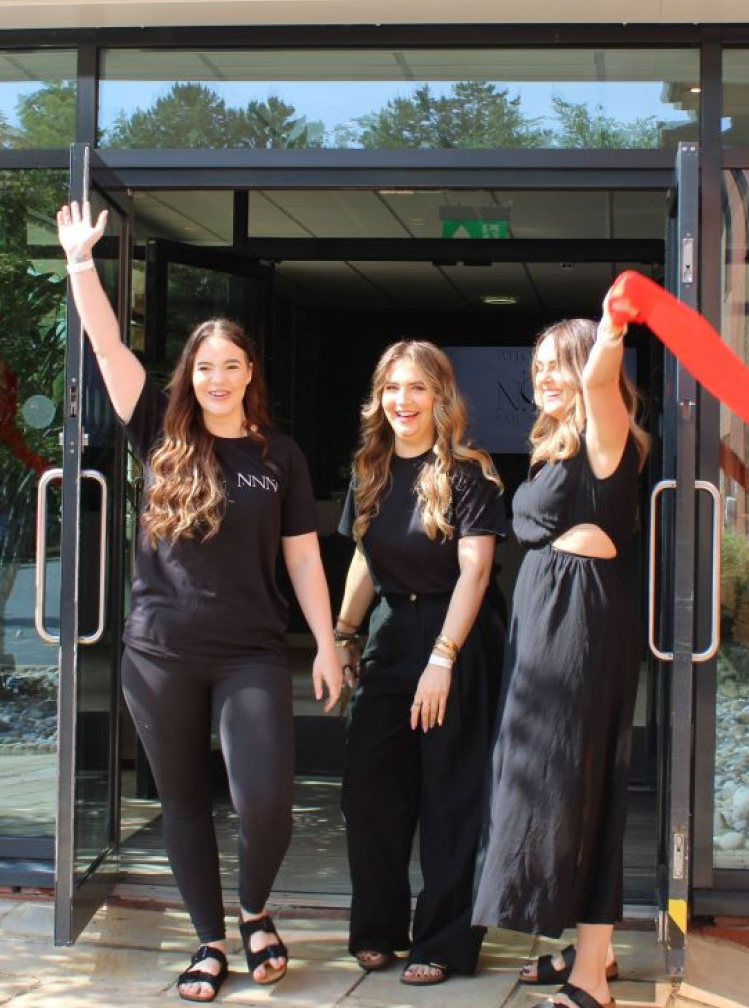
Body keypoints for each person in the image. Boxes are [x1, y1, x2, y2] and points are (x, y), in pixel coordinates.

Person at [55, 200, 343, 1004]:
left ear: (251, 374)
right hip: (159, 654)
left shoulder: (279, 457)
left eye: (232, 366)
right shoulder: (158, 428)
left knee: (266, 802)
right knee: (183, 804)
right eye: (205, 366)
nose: (218, 378)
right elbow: (107, 345)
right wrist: (80, 261)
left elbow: (303, 557)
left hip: (251, 652)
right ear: (190, 375)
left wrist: (326, 642)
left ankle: (255, 911)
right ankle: (210, 941)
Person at [472, 302, 651, 1008]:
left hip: (579, 623)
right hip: (548, 623)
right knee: (554, 783)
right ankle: (590, 949)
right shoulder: (561, 444)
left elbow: (602, 380)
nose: (545, 377)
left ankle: (591, 977)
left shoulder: (607, 431)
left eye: (559, 365)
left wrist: (610, 328)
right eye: (539, 366)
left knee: (577, 785)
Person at [333, 341, 508, 986]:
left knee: (450, 796)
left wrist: (443, 657)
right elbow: (364, 558)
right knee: (370, 790)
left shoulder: (469, 472)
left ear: (441, 397)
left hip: (454, 635)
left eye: (417, 388)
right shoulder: (371, 470)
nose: (402, 401)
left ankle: (443, 942)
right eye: (392, 388)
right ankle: (378, 930)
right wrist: (343, 633)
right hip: (390, 635)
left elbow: (476, 571)